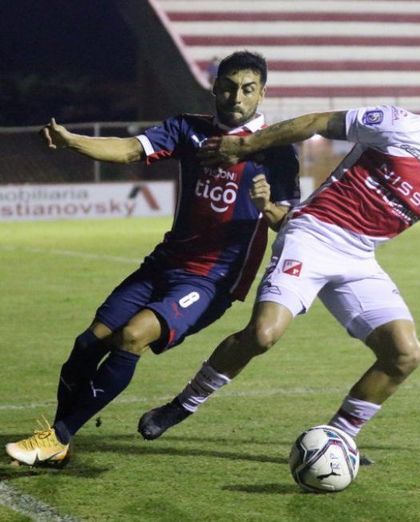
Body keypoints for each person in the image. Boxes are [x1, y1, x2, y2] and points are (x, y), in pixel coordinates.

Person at [138, 76, 420, 455]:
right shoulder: (395, 125)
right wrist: (245, 147)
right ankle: (182, 405)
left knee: (405, 354)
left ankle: (338, 441)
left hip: (359, 258)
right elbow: (315, 122)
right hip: (312, 235)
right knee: (262, 334)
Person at [5, 51, 300, 467]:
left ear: (262, 93)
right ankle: (58, 444)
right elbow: (128, 149)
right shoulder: (188, 129)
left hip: (212, 280)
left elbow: (290, 222)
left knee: (132, 336)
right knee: (86, 346)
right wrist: (73, 142)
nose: (237, 96)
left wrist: (268, 206)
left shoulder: (276, 151)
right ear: (215, 87)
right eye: (229, 86)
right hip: (163, 264)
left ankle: (56, 437)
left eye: (248, 89)